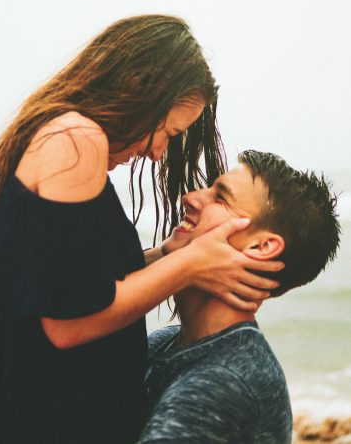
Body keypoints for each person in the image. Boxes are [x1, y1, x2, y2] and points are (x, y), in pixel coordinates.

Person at [0, 15, 283, 444]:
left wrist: (165, 255)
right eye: (167, 132)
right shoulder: (77, 139)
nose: (157, 152)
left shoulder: (61, 135)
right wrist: (190, 266)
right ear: (136, 87)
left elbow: (78, 283)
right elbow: (68, 323)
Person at [137, 149, 340, 444]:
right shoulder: (168, 342)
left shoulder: (225, 381)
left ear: (260, 247)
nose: (190, 197)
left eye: (221, 198)